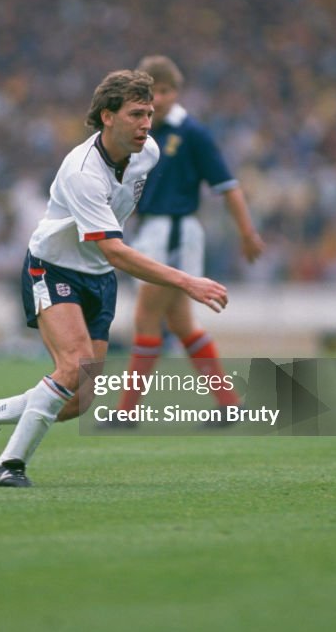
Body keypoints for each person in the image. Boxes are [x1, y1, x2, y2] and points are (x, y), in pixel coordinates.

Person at [0, 69, 228, 487]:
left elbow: (113, 240)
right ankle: (7, 465)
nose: (146, 124)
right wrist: (187, 281)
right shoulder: (83, 171)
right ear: (107, 116)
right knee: (73, 365)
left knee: (78, 401)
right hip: (53, 268)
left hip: (98, 276)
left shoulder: (148, 152)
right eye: (135, 114)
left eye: (149, 114)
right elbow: (115, 250)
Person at [111, 55, 264, 423]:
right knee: (181, 324)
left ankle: (126, 412)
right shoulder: (141, 131)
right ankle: (229, 405)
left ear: (177, 93)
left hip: (173, 231)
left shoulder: (192, 133)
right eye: (152, 92)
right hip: (153, 230)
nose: (159, 99)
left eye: (165, 91)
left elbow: (227, 185)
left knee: (146, 317)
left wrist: (247, 232)